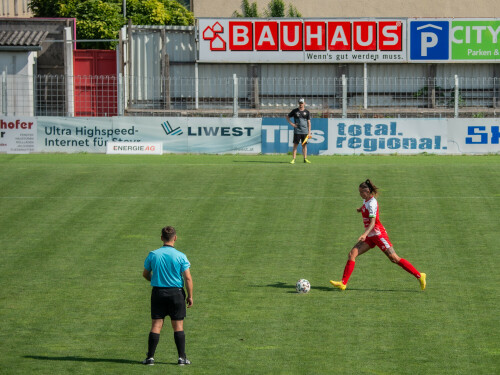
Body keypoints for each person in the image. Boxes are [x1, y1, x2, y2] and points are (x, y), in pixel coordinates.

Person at [330, 179, 426, 291]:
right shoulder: (366, 200)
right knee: (352, 254)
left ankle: (420, 276)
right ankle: (343, 283)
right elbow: (366, 206)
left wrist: (364, 234)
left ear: (367, 191)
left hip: (378, 235)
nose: (360, 194)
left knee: (394, 258)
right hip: (370, 236)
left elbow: (373, 222)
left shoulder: (372, 203)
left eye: (361, 192)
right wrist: (361, 209)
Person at [142, 226, 193, 366]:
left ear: (161, 238)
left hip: (158, 293)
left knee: (156, 325)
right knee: (178, 326)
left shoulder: (153, 254)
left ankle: (150, 358)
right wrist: (190, 296)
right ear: (175, 238)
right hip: (176, 293)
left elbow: (145, 274)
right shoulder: (181, 256)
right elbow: (188, 278)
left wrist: (154, 280)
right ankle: (182, 358)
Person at [286, 98, 312, 164]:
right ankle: (293, 159)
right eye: (300, 103)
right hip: (297, 131)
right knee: (295, 145)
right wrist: (292, 124)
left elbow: (309, 123)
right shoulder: (295, 111)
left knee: (304, 146)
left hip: (305, 132)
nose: (301, 104)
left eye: (302, 103)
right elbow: (287, 117)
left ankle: (305, 159)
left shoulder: (307, 112)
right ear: (298, 103)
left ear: (304, 103)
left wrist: (309, 132)